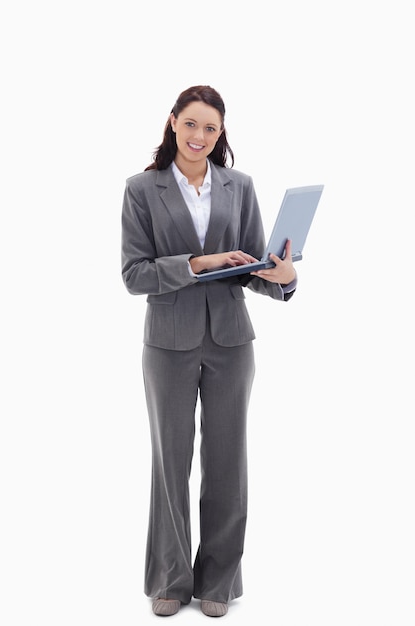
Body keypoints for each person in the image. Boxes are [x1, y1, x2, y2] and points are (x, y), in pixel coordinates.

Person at [121, 85, 297, 618]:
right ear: (172, 122)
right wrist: (198, 263)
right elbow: (133, 275)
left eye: (211, 128)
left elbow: (252, 267)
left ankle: (218, 581)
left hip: (230, 342)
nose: (200, 136)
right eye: (191, 124)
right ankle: (171, 580)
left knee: (227, 465)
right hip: (168, 343)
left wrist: (284, 278)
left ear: (221, 134)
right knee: (169, 465)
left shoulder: (239, 185)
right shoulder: (141, 189)